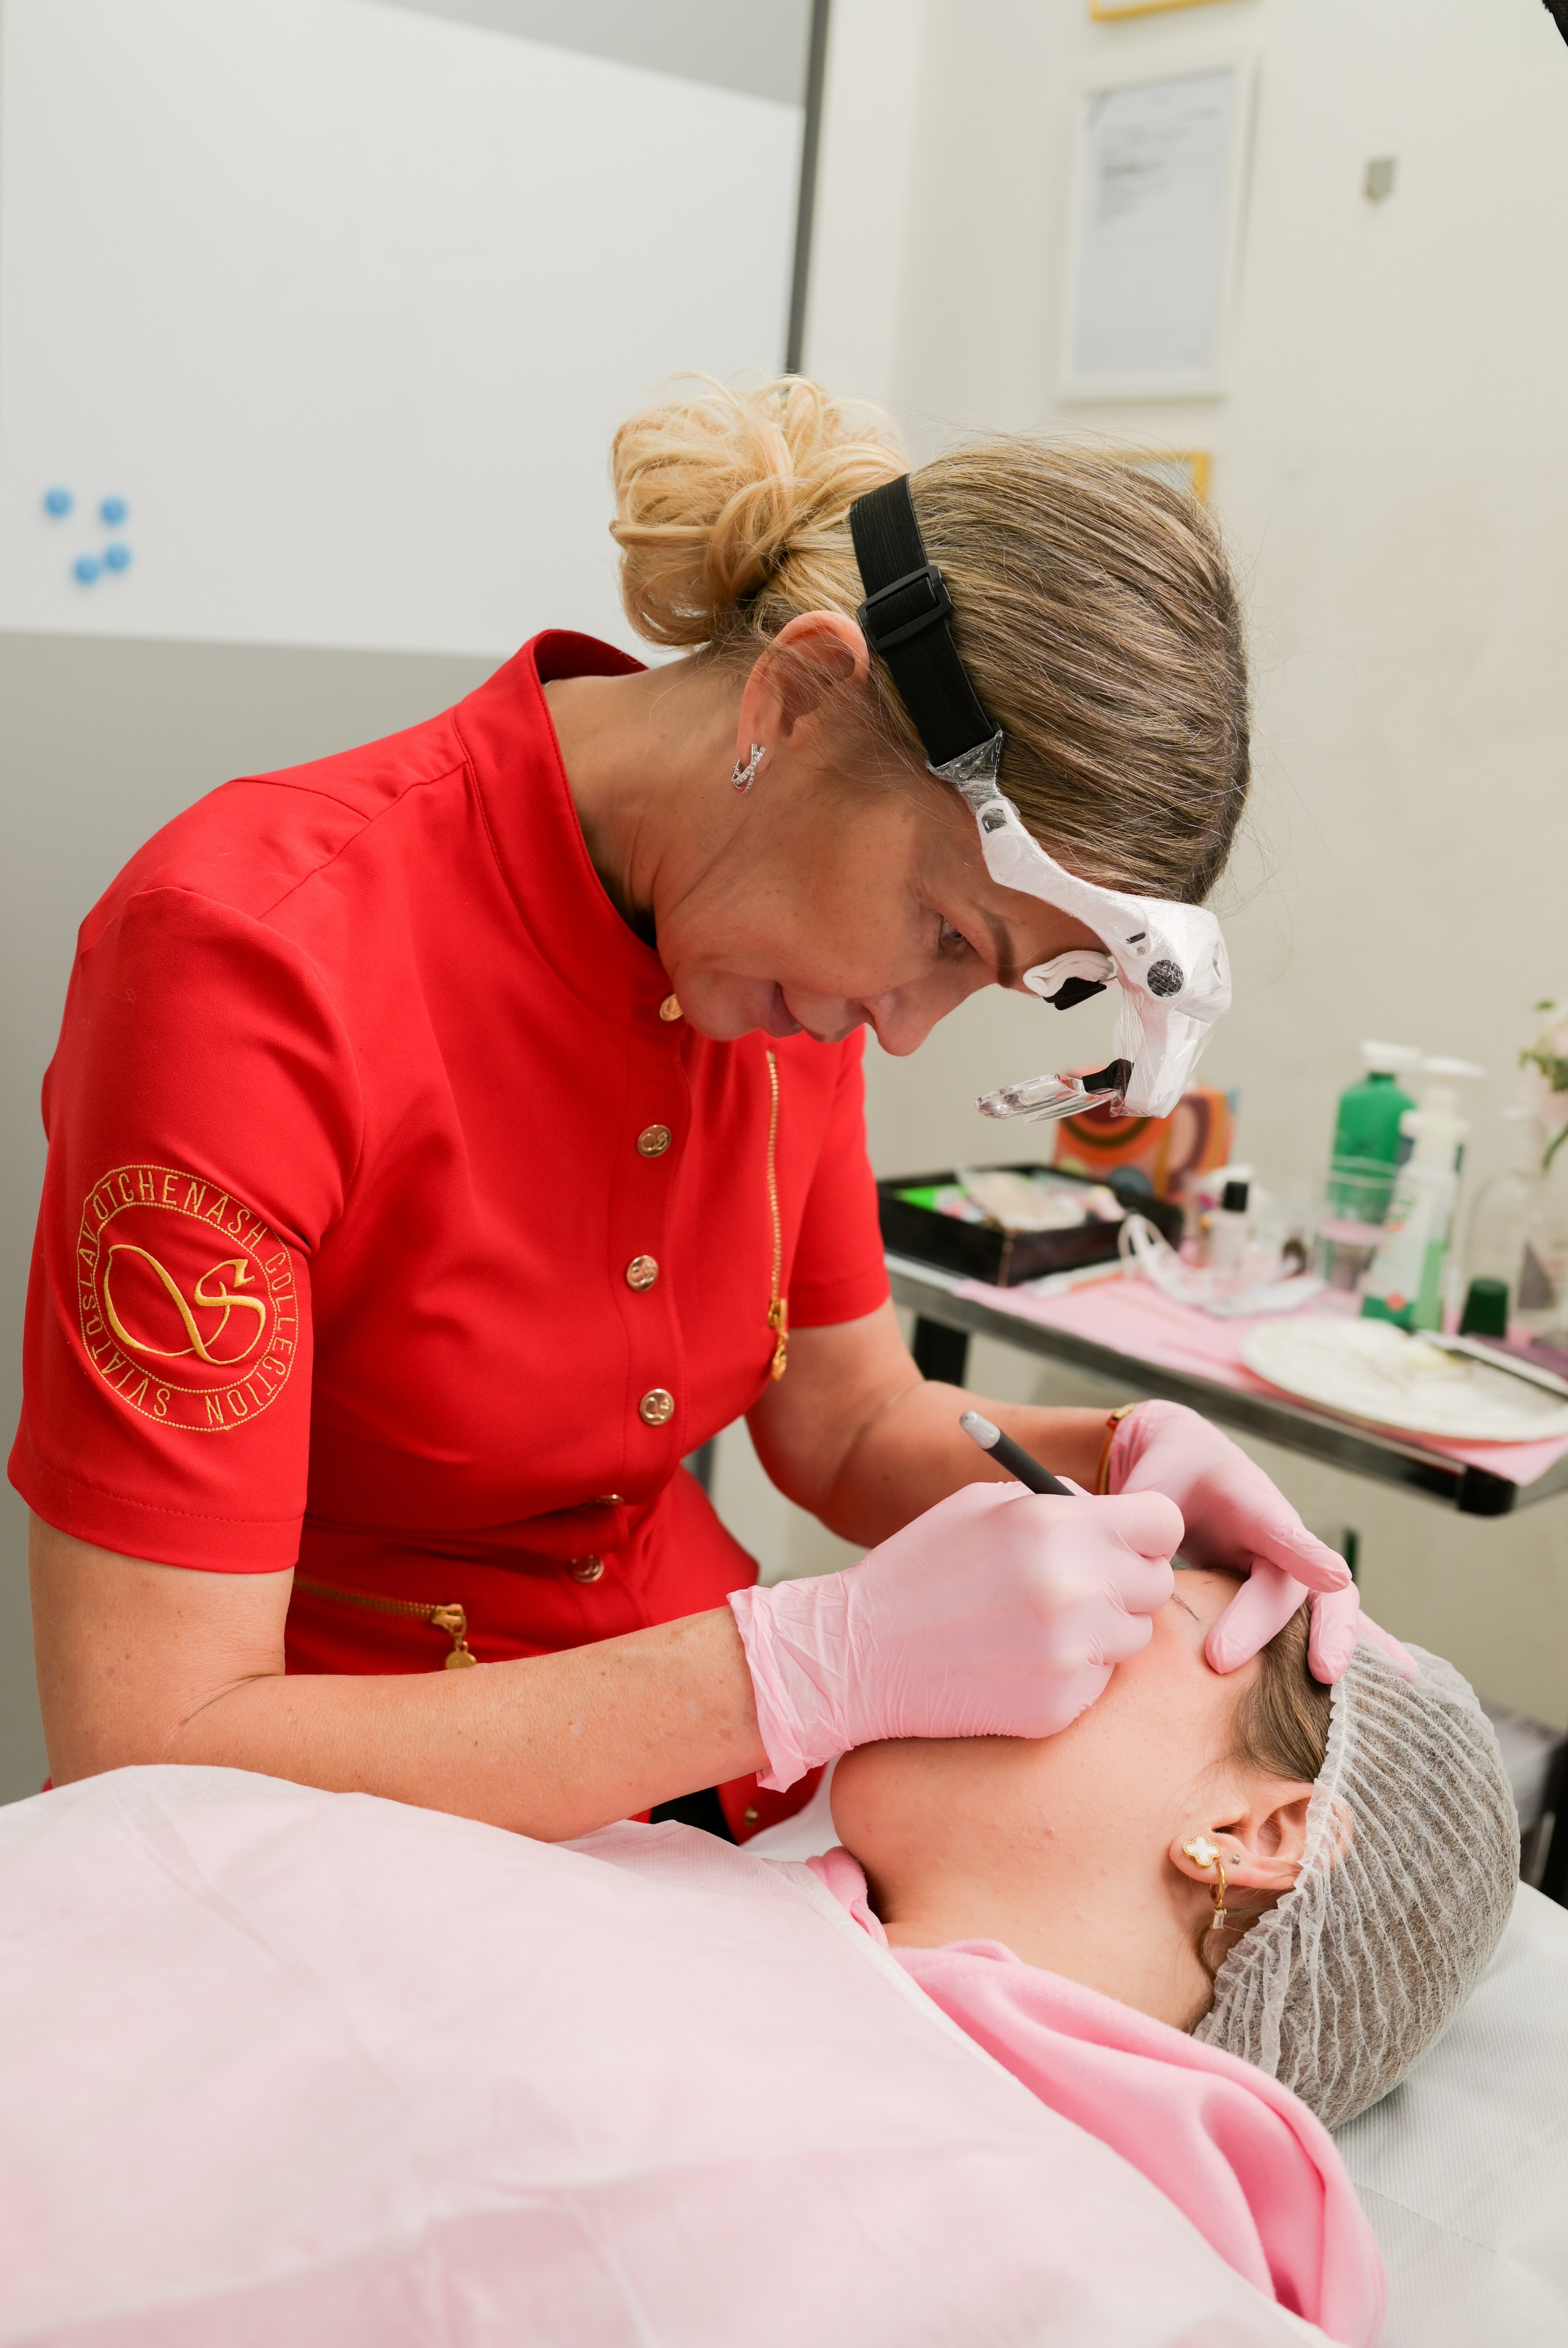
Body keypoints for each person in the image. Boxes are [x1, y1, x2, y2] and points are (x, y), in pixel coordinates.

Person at [16, 375, 1370, 1842]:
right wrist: (798, 1661)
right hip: (348, 1838)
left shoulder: (777, 951)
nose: (903, 1030)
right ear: (788, 701)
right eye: (941, 936)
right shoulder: (251, 957)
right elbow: (149, 1746)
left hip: (723, 1796)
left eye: (986, 984)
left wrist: (1112, 1454)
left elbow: (846, 1422)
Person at [812, 1571, 1518, 2336]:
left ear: (1258, 1836)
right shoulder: (745, 1904)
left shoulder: (1100, 2281)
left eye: (1156, 1608)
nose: (1046, 1597)